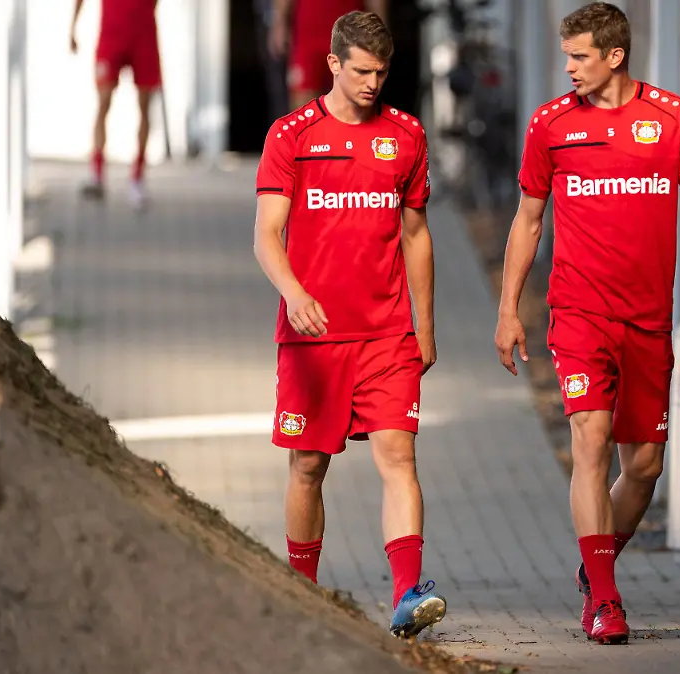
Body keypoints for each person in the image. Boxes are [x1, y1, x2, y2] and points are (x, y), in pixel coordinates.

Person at [493, 2, 680, 646]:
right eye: (566, 56)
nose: (568, 68)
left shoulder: (672, 116)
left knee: (646, 465)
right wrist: (510, 308)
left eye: (579, 57)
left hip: (648, 320)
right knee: (590, 440)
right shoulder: (550, 125)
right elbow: (528, 220)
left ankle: (595, 562)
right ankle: (604, 598)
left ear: (615, 56)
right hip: (578, 314)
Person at [253, 10, 446, 639]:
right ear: (333, 64)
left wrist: (425, 325)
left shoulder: (407, 136)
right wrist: (294, 291)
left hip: (387, 333)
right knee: (308, 469)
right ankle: (301, 595)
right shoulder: (292, 135)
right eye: (361, 70)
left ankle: (408, 595)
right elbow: (266, 236)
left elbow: (416, 236)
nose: (372, 83)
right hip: (312, 339)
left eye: (382, 72)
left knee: (399, 456)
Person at [71, 0, 160, 209]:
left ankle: (138, 178)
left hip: (143, 34)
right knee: (103, 103)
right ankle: (97, 174)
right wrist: (73, 26)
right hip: (112, 34)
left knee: (145, 107)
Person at [267, 0, 388, 112]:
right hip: (308, 33)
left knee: (352, 108)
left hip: (350, 34)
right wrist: (280, 22)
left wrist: (380, 26)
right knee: (304, 109)